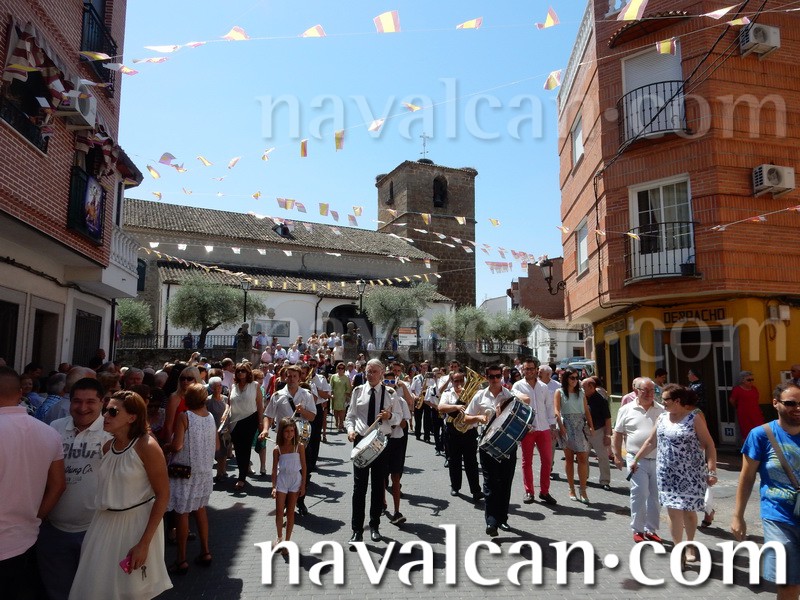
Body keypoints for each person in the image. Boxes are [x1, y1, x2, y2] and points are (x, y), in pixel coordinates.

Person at [69, 390, 172, 599]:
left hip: (135, 526)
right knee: (96, 587)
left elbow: (163, 495)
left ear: (132, 417)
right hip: (102, 524)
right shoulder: (108, 447)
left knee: (131, 591)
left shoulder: (147, 446)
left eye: (113, 412)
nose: (105, 416)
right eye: (106, 410)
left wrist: (144, 543)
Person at [39, 378, 111, 600]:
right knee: (56, 590)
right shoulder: (55, 428)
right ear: (69, 402)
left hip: (95, 529)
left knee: (93, 591)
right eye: (77, 401)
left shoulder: (112, 432)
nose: (82, 408)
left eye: (90, 402)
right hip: (54, 529)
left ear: (102, 402)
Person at [631, 384, 717, 568]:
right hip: (667, 474)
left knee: (689, 512)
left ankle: (690, 545)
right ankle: (679, 551)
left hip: (691, 474)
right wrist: (636, 459)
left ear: (677, 401)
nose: (662, 403)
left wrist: (712, 470)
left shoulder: (694, 418)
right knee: (673, 511)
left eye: (665, 400)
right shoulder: (662, 418)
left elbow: (709, 444)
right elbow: (651, 442)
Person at [0, 366, 65, 598]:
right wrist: (36, 518)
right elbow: (58, 486)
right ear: (20, 393)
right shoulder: (49, 433)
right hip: (26, 539)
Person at [732, 382, 800, 600]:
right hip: (778, 517)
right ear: (775, 403)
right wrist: (738, 516)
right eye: (791, 403)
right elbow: (747, 477)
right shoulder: (761, 435)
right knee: (788, 585)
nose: (797, 408)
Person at [345, 359, 402, 547]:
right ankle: (356, 530)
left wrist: (389, 416)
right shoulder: (357, 391)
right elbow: (350, 416)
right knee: (359, 488)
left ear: (382, 373)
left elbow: (399, 418)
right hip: (361, 441)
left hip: (380, 443)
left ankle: (375, 525)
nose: (370, 375)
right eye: (368, 371)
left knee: (378, 486)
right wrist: (350, 430)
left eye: (374, 371)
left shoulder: (390, 393)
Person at [163, 383, 217, 575]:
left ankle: (181, 559)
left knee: (182, 513)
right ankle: (205, 551)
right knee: (200, 510)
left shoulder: (184, 416)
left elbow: (177, 445)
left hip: (184, 471)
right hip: (204, 471)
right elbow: (217, 445)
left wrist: (166, 447)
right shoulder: (210, 417)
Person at [612, 377, 665, 544]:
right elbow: (618, 433)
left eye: (652, 390)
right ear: (636, 391)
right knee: (640, 493)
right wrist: (617, 455)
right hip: (636, 459)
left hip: (658, 459)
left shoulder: (662, 410)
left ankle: (651, 529)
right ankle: (638, 529)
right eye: (645, 390)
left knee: (656, 496)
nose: (650, 394)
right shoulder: (626, 409)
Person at [473, 364, 520, 537]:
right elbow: (467, 417)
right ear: (486, 377)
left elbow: (522, 409)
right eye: (491, 376)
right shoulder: (479, 395)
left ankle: (502, 518)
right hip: (487, 445)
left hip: (507, 444)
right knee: (490, 482)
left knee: (505, 482)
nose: (495, 379)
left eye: (498, 376)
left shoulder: (510, 395)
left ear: (501, 377)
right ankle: (491, 521)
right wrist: (479, 417)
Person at [513, 358, 558, 505]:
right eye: (527, 369)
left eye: (532, 368)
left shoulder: (544, 387)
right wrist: (523, 425)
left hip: (544, 428)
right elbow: (515, 408)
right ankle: (529, 491)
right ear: (523, 370)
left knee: (547, 461)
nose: (529, 371)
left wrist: (553, 426)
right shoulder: (517, 386)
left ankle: (544, 492)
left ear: (536, 370)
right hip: (527, 430)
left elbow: (549, 407)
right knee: (527, 462)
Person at [438, 370, 484, 503]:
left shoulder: (473, 394)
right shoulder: (448, 393)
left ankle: (476, 491)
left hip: (469, 431)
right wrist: (457, 407)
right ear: (452, 382)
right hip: (452, 432)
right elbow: (441, 407)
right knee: (454, 461)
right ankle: (455, 486)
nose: (459, 383)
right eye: (456, 381)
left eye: (461, 380)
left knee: (472, 462)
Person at [554, 367, 594, 503]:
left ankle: (583, 490)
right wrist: (561, 426)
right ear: (566, 379)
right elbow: (556, 410)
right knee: (569, 459)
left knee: (583, 458)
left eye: (577, 378)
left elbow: (587, 410)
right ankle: (571, 488)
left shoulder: (581, 392)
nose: (575, 380)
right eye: (572, 378)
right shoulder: (559, 392)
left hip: (580, 425)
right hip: (567, 425)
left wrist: (591, 426)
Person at [228, 363, 265, 492]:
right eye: (238, 371)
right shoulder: (233, 386)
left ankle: (241, 477)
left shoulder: (255, 385)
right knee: (238, 450)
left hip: (250, 419)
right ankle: (242, 471)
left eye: (243, 371)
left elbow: (260, 405)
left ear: (248, 372)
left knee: (245, 448)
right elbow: (229, 404)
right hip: (234, 421)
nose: (240, 373)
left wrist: (260, 423)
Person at [272, 417, 307, 554]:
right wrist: (273, 486)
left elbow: (304, 466)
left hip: (295, 480)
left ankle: (287, 541)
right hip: (282, 480)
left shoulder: (299, 446)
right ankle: (279, 537)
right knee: (279, 511)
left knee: (291, 511)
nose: (290, 434)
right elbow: (274, 469)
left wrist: (303, 485)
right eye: (287, 431)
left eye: (292, 431)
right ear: (281, 432)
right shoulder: (277, 449)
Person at [583, 376, 613, 491]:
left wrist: (607, 435)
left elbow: (607, 419)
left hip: (598, 431)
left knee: (602, 457)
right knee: (583, 456)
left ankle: (605, 481)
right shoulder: (582, 398)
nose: (581, 389)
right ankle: (584, 477)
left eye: (584, 387)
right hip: (584, 431)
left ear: (591, 387)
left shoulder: (601, 400)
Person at [729, 370, 765, 442]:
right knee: (746, 432)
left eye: (752, 379)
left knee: (759, 430)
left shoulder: (754, 388)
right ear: (742, 380)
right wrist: (739, 407)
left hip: (756, 413)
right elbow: (732, 400)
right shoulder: (737, 390)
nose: (751, 381)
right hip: (744, 415)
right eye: (748, 380)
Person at [329, 362, 352, 433]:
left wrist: (347, 396)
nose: (340, 369)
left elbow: (348, 387)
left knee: (342, 411)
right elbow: (330, 386)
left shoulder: (346, 378)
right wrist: (331, 393)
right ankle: (336, 421)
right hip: (335, 396)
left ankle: (341, 424)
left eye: (342, 368)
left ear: (344, 369)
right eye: (339, 368)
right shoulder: (333, 376)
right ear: (337, 369)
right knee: (336, 411)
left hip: (343, 396)